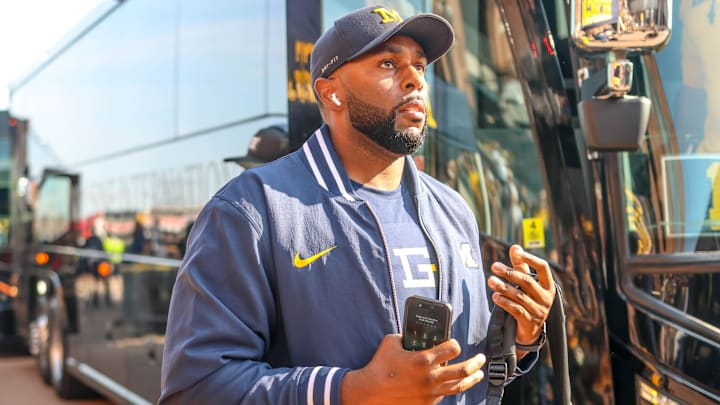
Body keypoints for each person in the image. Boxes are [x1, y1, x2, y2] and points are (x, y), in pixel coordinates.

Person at [160, 5, 556, 404]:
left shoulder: (452, 209)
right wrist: (352, 391)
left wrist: (520, 337)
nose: (414, 79)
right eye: (389, 63)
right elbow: (196, 388)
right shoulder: (250, 211)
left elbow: (466, 369)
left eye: (420, 66)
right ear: (331, 92)